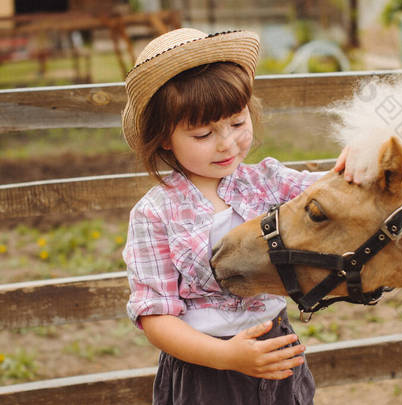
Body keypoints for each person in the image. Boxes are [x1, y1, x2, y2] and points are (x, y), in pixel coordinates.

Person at [122, 28, 351, 405]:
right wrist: (227, 356)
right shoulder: (154, 214)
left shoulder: (267, 181)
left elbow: (331, 193)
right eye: (202, 134)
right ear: (165, 137)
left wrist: (357, 160)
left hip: (277, 349)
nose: (227, 143)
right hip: (206, 371)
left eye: (237, 123)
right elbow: (156, 317)